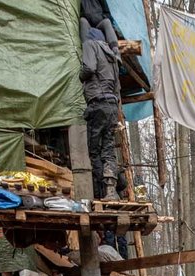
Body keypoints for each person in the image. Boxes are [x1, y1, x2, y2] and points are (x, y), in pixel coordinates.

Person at [80, 18, 121, 201]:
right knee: (109, 149)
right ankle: (112, 190)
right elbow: (118, 88)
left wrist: (81, 75)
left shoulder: (90, 45)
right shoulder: (113, 56)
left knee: (94, 150)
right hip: (112, 105)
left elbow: (88, 68)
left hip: (97, 103)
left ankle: (101, 191)